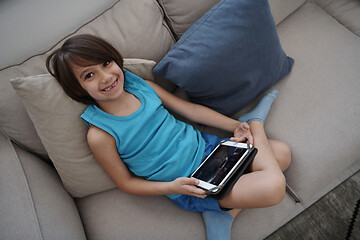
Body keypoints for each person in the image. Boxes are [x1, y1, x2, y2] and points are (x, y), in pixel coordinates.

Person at [46, 34, 291, 240]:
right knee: (273, 186)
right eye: (89, 75)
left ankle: (224, 209)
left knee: (282, 154)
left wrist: (236, 125)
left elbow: (191, 111)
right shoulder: (99, 134)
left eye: (107, 63)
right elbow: (126, 184)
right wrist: (172, 187)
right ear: (78, 89)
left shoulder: (140, 85)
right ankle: (256, 124)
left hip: (211, 151)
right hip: (191, 184)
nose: (106, 77)